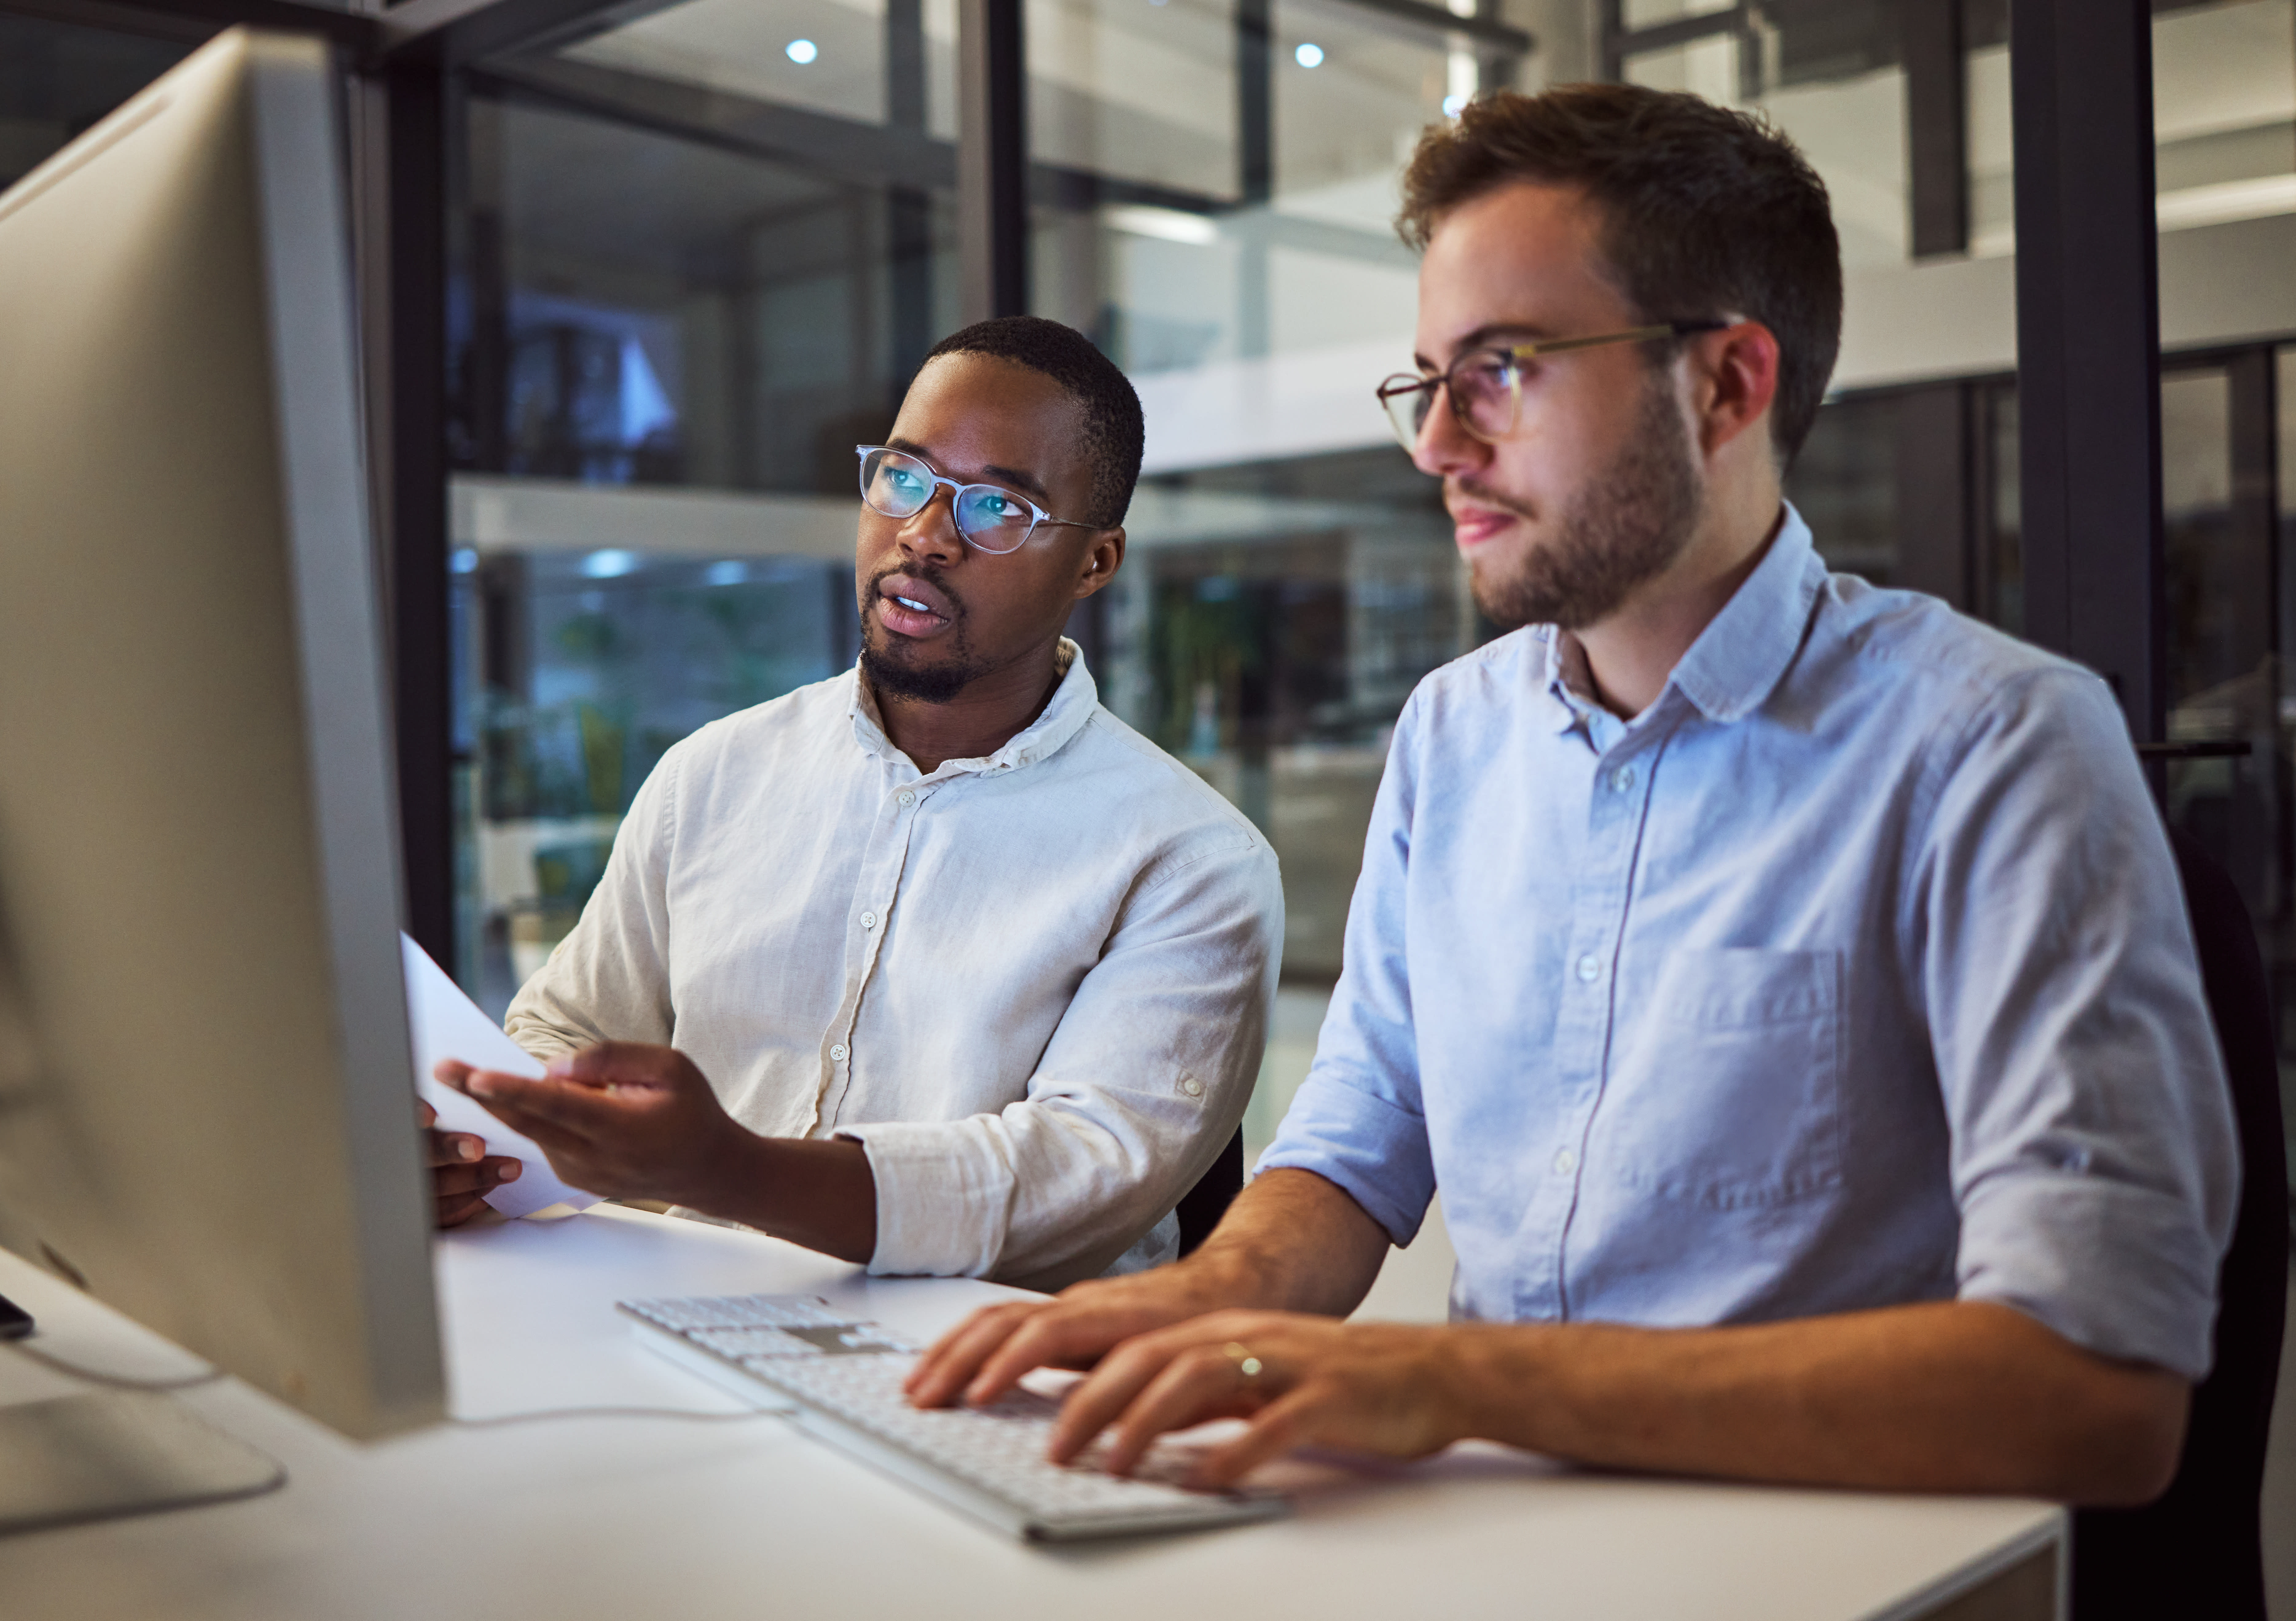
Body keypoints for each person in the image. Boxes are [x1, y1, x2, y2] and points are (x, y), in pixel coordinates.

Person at [906, 86, 2239, 1505]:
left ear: (1727, 383)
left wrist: (1456, 1381)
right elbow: (1359, 1145)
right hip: (1501, 1533)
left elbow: (2098, 1393)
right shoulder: (1453, 737)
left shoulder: (1993, 747)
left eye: (1504, 371)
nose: (1436, 447)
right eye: (1429, 382)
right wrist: (1209, 1301)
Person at [425, 317, 1282, 1293]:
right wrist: (487, 1139)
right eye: (905, 478)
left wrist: (731, 1173)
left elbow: (1077, 1179)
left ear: (1094, 564)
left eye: (997, 508)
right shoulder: (714, 773)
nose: (923, 535)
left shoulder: (1190, 856)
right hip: (673, 1317)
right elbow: (566, 1029)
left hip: (989, 1375)